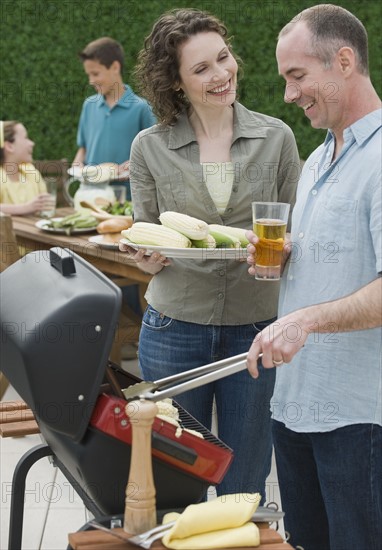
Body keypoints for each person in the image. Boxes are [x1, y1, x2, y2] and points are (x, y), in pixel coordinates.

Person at [120, 8, 300, 498]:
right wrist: (144, 257)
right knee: (175, 477)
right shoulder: (148, 148)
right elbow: (146, 233)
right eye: (201, 69)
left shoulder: (277, 138)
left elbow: (295, 231)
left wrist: (283, 250)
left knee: (244, 482)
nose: (221, 74)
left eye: (223, 57)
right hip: (174, 327)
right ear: (176, 82)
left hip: (256, 330)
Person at [246, 4, 381, 549]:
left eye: (297, 76)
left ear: (343, 60)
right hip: (296, 404)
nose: (288, 94)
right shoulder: (319, 158)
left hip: (359, 417)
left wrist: (306, 319)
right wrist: (279, 260)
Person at [72, 36, 157, 200]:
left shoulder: (142, 108)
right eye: (88, 75)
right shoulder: (89, 106)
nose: (91, 80)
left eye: (95, 73)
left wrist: (133, 165)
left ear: (115, 67)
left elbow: (153, 153)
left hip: (128, 198)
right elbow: (83, 148)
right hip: (92, 195)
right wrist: (77, 166)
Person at [0, 120, 52, 216]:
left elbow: (45, 206)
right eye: (26, 138)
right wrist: (25, 208)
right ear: (9, 146)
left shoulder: (32, 173)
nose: (32, 143)